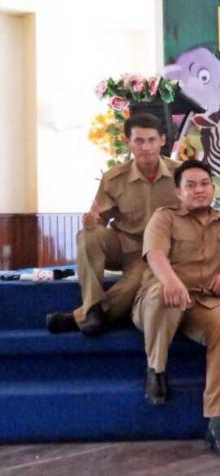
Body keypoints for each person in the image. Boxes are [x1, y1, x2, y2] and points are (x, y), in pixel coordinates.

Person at [132, 159, 220, 458]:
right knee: (167, 298)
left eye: (204, 184)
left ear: (212, 188)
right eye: (190, 185)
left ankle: (217, 423)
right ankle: (156, 369)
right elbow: (154, 253)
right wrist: (171, 281)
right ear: (179, 192)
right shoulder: (164, 217)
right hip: (158, 298)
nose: (199, 190)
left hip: (202, 301)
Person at [46, 113, 178, 335]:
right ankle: (92, 306)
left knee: (136, 281)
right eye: (138, 140)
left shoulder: (180, 174)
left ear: (162, 140)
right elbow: (100, 219)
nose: (145, 146)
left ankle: (85, 316)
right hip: (123, 245)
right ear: (128, 142)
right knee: (87, 235)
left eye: (151, 140)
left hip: (156, 252)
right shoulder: (114, 177)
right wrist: (92, 221)